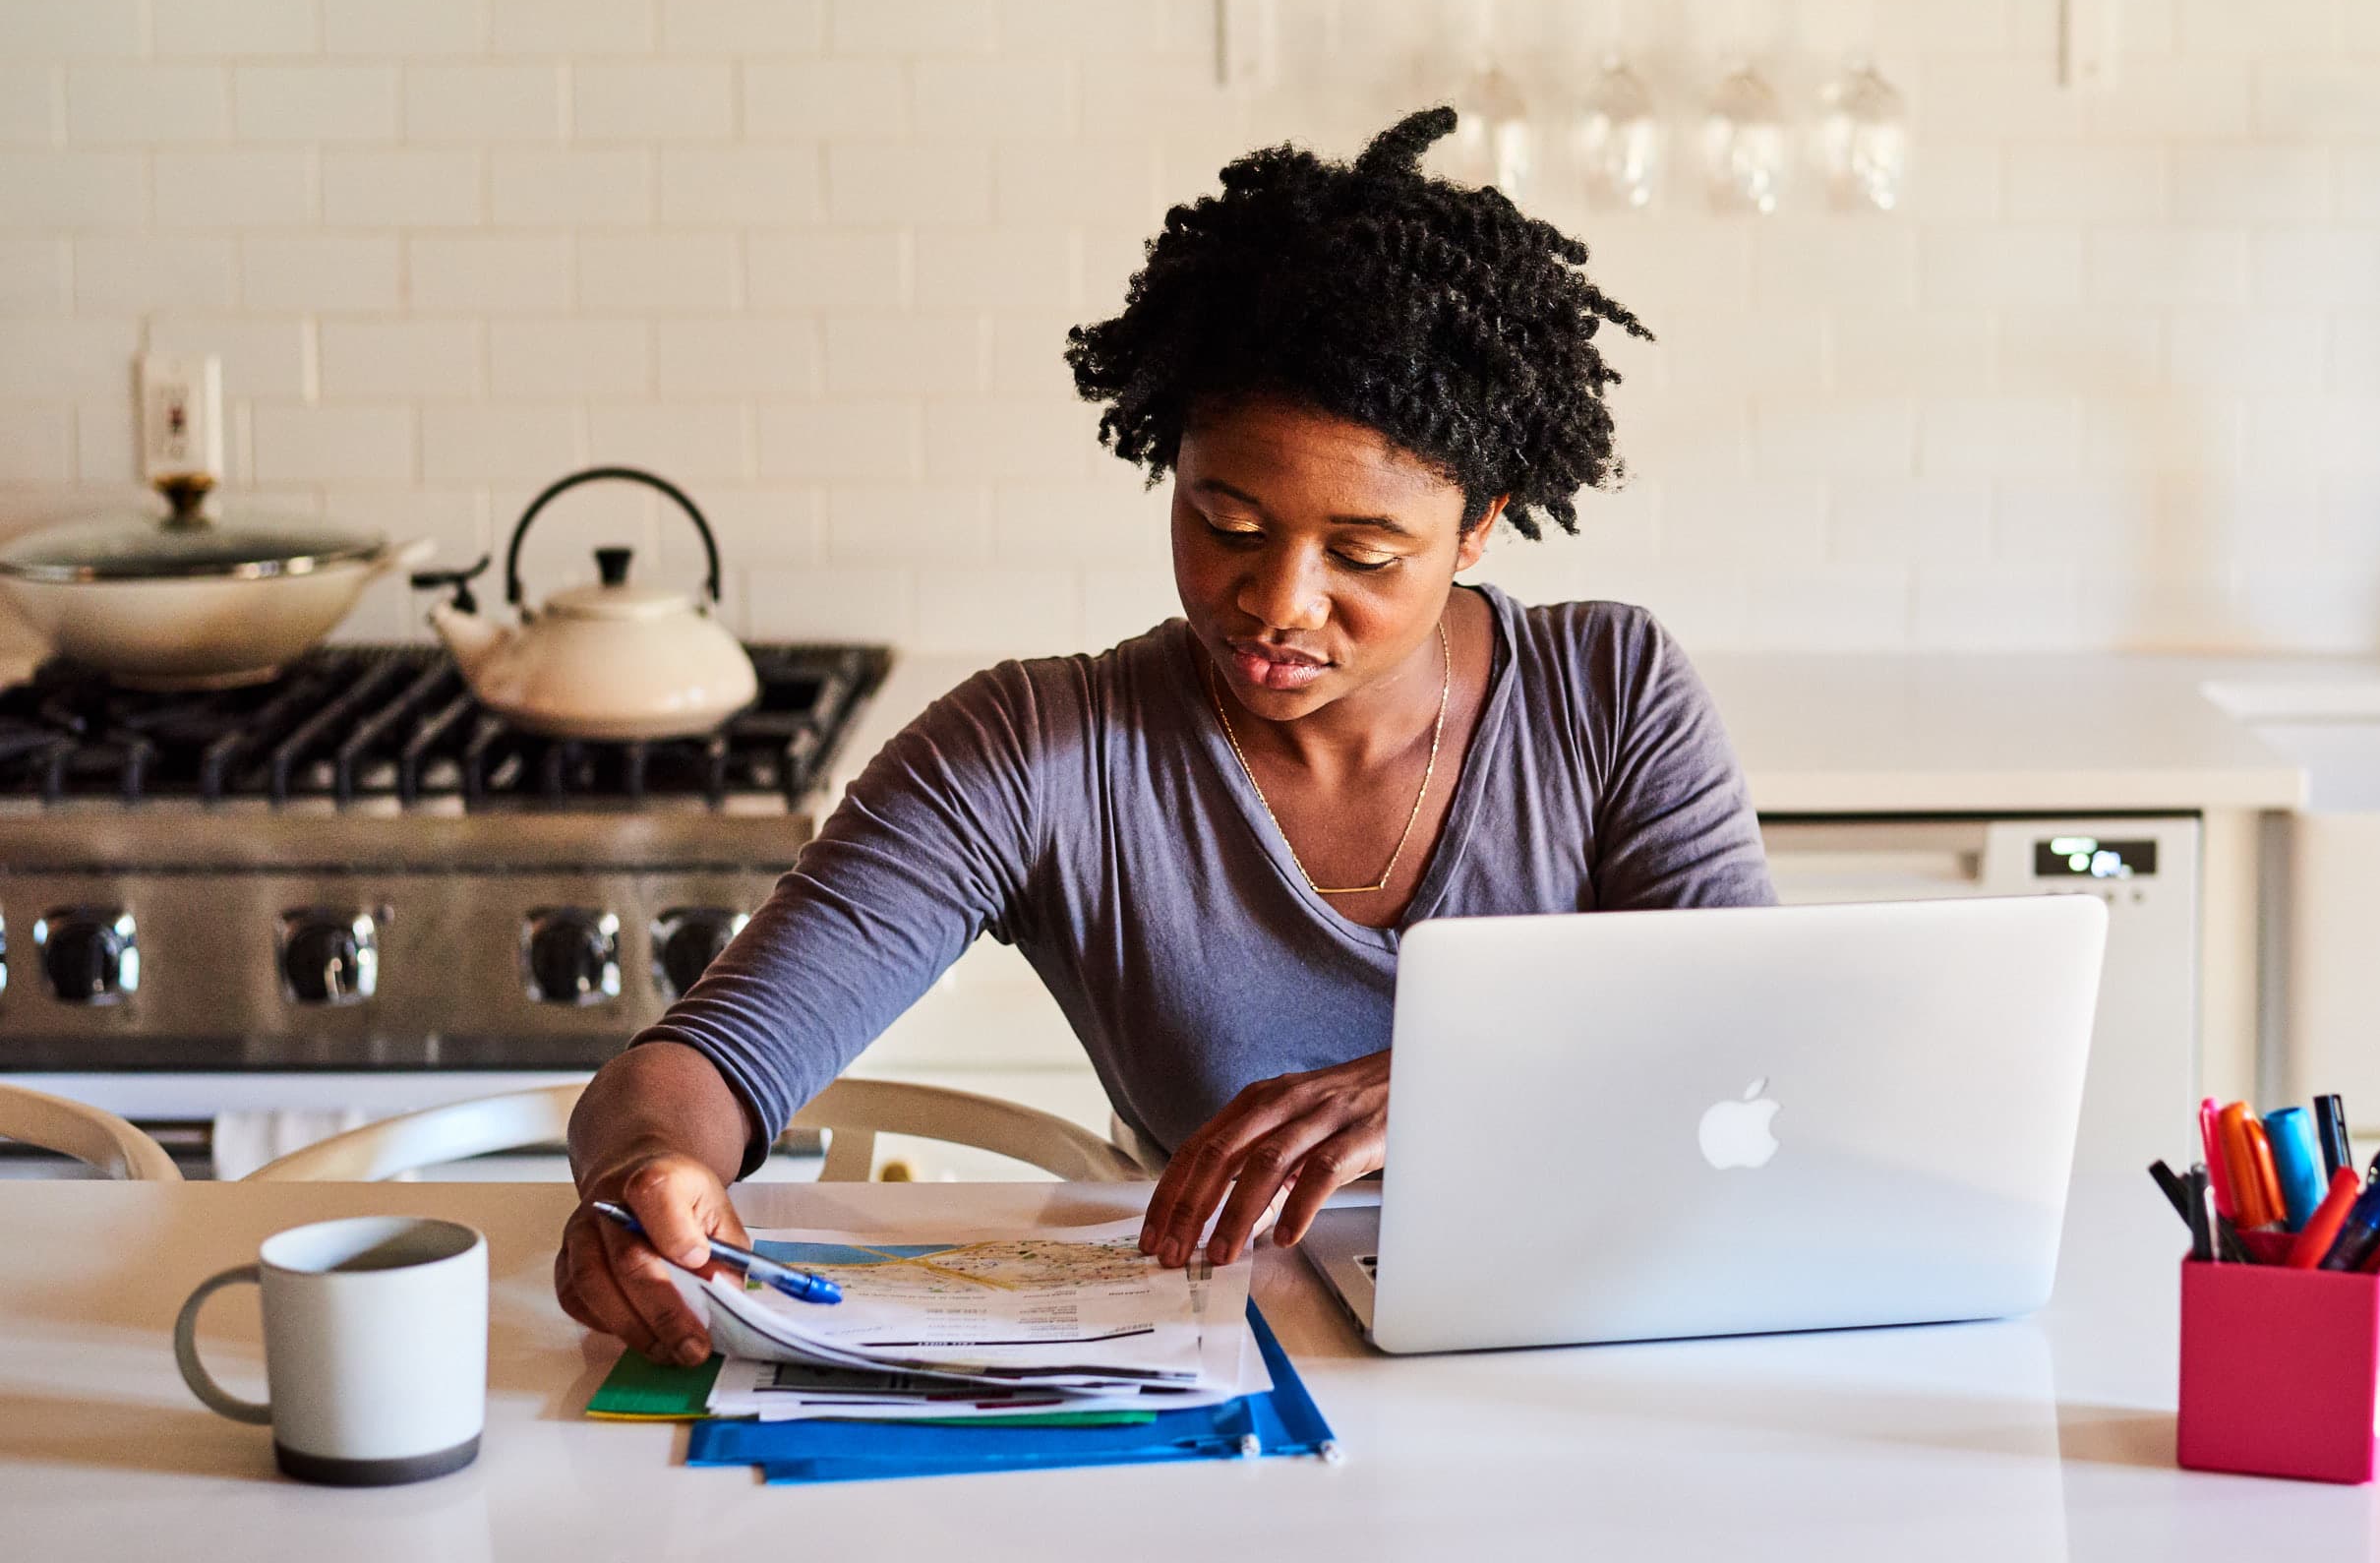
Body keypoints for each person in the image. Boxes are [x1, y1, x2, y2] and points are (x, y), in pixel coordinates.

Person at [554, 107, 1776, 1367]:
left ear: (1477, 530)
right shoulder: (1037, 750)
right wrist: (647, 1168)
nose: (1278, 600)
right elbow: (703, 1057)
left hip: (1598, 1347)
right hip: (1233, 1366)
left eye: (1363, 554)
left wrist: (1442, 1075)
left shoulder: (1607, 692)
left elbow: (1754, 1043)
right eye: (1228, 523)